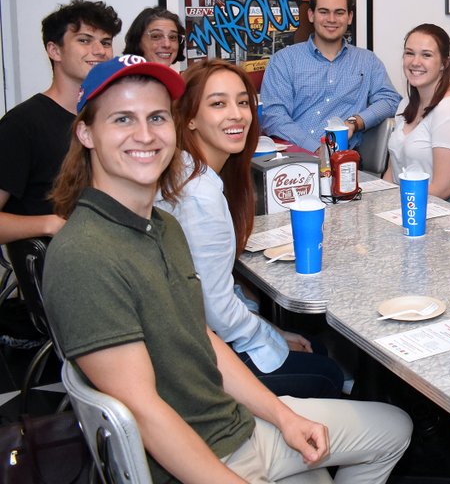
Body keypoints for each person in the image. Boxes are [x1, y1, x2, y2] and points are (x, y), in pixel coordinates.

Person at [42, 55, 411, 483]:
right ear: (86, 132)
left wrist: (283, 416)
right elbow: (143, 412)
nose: (145, 134)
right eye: (123, 119)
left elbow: (200, 334)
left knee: (394, 428)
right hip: (200, 459)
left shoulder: (160, 227)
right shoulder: (84, 255)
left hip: (235, 426)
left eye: (157, 117)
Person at [159, 59, 345, 399]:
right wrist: (270, 336)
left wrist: (271, 329)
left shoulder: (190, 171)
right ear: (189, 118)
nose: (237, 114)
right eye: (218, 104)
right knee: (328, 371)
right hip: (200, 362)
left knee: (315, 348)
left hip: (197, 337)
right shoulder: (199, 195)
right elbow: (216, 309)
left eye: (243, 102)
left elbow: (219, 292)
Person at [0, 0, 120, 245]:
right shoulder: (22, 124)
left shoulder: (111, 117)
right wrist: (51, 223)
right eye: (85, 40)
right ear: (54, 50)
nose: (100, 50)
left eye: (106, 42)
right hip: (63, 269)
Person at [260, 0, 400, 151]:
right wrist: (316, 149)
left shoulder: (367, 61)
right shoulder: (283, 60)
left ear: (349, 17)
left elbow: (390, 100)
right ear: (311, 15)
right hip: (295, 160)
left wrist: (355, 122)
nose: (331, 19)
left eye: (339, 13)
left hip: (345, 160)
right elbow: (274, 117)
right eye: (324, 12)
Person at [384, 24, 450, 207]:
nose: (415, 62)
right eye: (409, 53)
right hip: (407, 207)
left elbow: (443, 188)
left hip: (444, 215)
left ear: (444, 63)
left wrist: (393, 205)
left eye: (426, 55)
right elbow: (393, 171)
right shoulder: (406, 104)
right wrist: (378, 203)